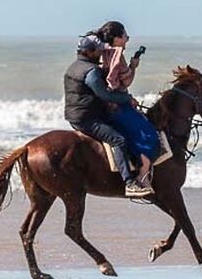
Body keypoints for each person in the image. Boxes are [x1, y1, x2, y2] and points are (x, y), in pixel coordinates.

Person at [63, 34, 152, 197]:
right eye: (98, 51)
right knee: (118, 139)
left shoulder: (73, 67)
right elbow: (105, 95)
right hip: (87, 119)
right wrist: (127, 98)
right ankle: (129, 183)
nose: (100, 54)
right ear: (89, 52)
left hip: (75, 115)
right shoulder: (91, 71)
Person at [95, 21, 160, 193]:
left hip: (104, 105)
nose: (127, 39)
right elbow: (126, 80)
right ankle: (143, 173)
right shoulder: (117, 56)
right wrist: (133, 66)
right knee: (149, 134)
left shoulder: (100, 53)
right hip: (117, 106)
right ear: (116, 38)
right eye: (125, 36)